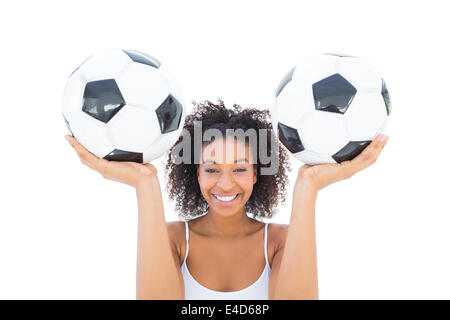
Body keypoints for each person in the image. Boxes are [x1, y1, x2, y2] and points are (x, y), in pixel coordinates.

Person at [65, 99, 388, 300]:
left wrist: (308, 184)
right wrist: (145, 182)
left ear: (256, 174)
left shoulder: (279, 242)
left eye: (239, 168)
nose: (225, 183)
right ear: (196, 174)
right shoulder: (174, 239)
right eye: (211, 169)